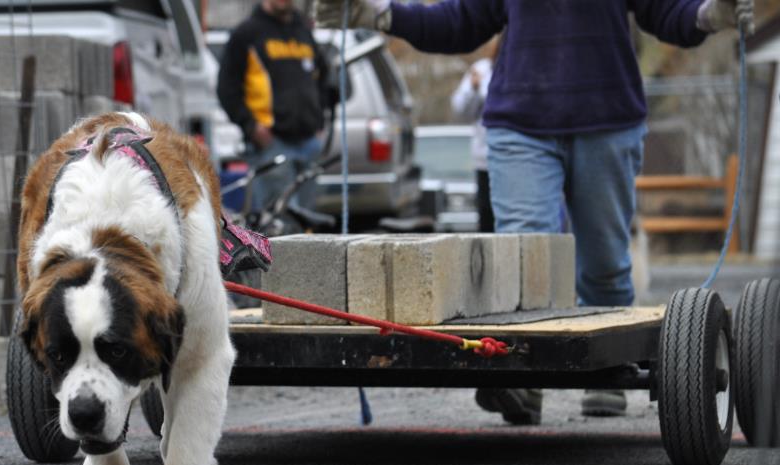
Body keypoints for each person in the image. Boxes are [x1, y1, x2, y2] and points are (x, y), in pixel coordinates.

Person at [315, 0, 750, 423]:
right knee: (526, 263)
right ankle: (524, 377)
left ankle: (608, 372)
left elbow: (665, 11)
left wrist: (709, 13)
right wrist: (382, 14)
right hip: (521, 123)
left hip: (607, 118)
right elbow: (462, 20)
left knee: (603, 261)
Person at [217, 0, 334, 213]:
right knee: (281, 222)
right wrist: (252, 127)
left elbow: (324, 79)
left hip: (309, 144)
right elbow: (227, 89)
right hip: (272, 146)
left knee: (309, 225)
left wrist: (320, 122)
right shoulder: (246, 34)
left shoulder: (303, 32)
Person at [450, 37, 499, 233]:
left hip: (519, 156)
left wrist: (481, 93)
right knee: (487, 214)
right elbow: (460, 109)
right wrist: (473, 89)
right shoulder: (481, 69)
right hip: (486, 158)